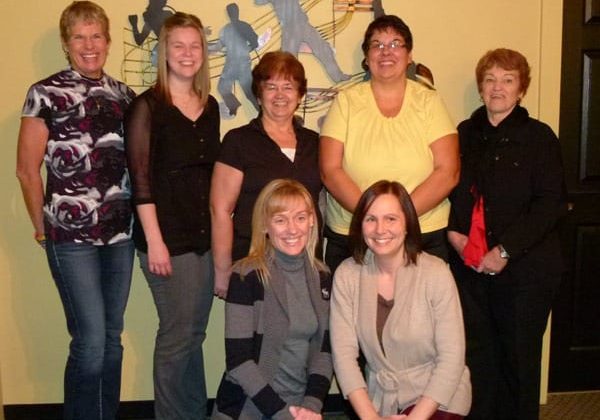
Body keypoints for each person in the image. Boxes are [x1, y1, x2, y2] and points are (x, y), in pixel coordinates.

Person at [15, 1, 135, 418]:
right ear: (67, 45)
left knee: (113, 339)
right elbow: (26, 171)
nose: (89, 45)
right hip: (70, 240)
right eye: (79, 37)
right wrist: (41, 228)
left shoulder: (124, 94)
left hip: (120, 237)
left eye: (96, 36)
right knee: (90, 342)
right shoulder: (43, 93)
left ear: (107, 41)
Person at [447, 48, 566, 420]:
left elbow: (550, 204)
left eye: (508, 79)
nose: (497, 87)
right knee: (479, 357)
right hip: (470, 268)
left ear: (521, 89)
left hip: (526, 272)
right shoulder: (464, 134)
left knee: (518, 361)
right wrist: (455, 233)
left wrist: (505, 250)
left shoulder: (539, 137)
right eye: (490, 79)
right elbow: (451, 187)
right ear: (481, 88)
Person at [125, 12, 220, 420]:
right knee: (177, 337)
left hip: (202, 236)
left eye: (194, 45)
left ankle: (194, 412)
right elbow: (140, 181)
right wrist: (156, 241)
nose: (186, 53)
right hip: (166, 240)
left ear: (203, 52)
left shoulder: (210, 106)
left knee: (192, 336)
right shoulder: (146, 107)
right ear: (164, 52)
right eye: (177, 45)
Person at [320, 15, 459, 273]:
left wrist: (397, 219)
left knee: (419, 313)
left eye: (395, 44)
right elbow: (330, 170)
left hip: (422, 234)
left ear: (409, 56)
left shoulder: (430, 101)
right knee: (354, 313)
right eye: (377, 45)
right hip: (353, 236)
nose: (386, 52)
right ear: (367, 56)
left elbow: (448, 171)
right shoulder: (346, 102)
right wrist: (373, 220)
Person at [330, 180, 471, 420]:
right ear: (360, 225)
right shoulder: (347, 274)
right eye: (370, 219)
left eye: (391, 219)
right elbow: (343, 356)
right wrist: (371, 418)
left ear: (407, 224)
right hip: (380, 402)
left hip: (438, 398)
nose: (380, 229)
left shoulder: (435, 272)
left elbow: (452, 358)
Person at [212, 178, 332, 420]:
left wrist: (310, 407)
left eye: (300, 217)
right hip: (248, 407)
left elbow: (324, 351)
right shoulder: (245, 275)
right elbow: (239, 361)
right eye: (280, 219)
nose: (292, 229)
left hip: (300, 409)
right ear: (265, 225)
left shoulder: (323, 276)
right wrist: (281, 413)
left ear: (311, 221)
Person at [211, 51, 322, 298]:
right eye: (271, 87)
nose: (280, 95)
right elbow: (220, 209)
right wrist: (222, 270)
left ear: (300, 95)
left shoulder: (315, 143)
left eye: (288, 87)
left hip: (306, 264)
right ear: (259, 95)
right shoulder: (238, 141)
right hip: (253, 264)